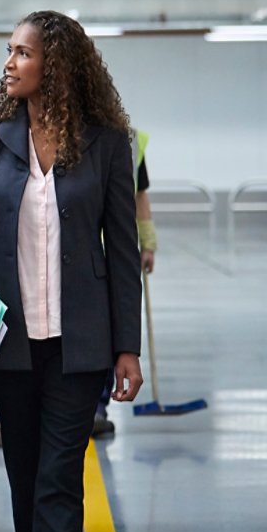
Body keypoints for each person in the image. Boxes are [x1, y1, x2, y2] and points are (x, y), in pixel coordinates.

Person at [0, 10, 143, 532]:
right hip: (10, 349)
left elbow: (123, 252)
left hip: (81, 346)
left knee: (59, 482)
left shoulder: (106, 144)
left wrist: (127, 347)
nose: (9, 64)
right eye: (9, 52)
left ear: (55, 65)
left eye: (23, 53)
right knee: (26, 483)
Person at [93, 147, 157, 436]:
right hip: (84, 250)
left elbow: (139, 195)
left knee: (107, 329)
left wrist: (148, 242)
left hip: (116, 250)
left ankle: (98, 403)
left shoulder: (129, 140)